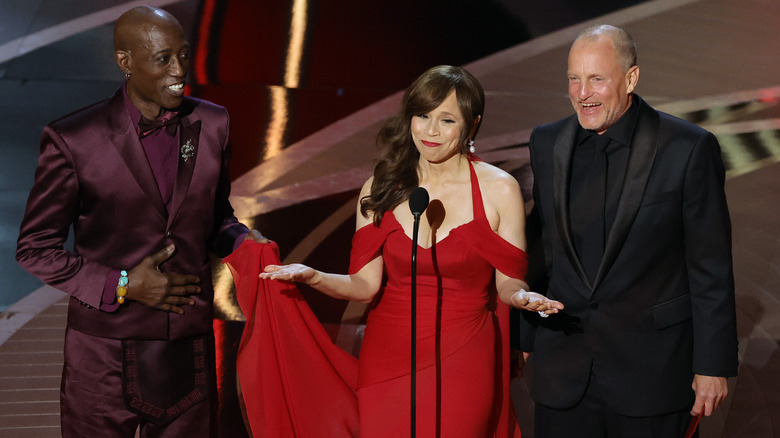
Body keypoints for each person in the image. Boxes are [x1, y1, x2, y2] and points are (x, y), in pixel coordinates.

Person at [229, 65, 563, 437]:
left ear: (472, 124)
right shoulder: (382, 187)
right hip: (388, 354)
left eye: (446, 119)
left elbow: (507, 282)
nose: (430, 130)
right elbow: (364, 285)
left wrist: (521, 297)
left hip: (464, 354)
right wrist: (312, 275)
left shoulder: (499, 189)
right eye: (422, 115)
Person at [16, 6, 266, 437]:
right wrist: (124, 284)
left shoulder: (213, 123)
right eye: (163, 58)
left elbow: (216, 216)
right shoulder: (74, 139)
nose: (179, 70)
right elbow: (35, 249)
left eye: (184, 56)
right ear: (125, 61)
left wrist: (243, 242)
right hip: (103, 355)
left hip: (187, 350)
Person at [521, 24, 739, 437]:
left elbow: (710, 267)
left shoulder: (687, 148)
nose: (582, 93)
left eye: (597, 79)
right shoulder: (547, 142)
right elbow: (543, 249)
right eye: (574, 78)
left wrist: (713, 365)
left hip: (652, 374)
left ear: (631, 78)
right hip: (564, 370)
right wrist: (525, 335)